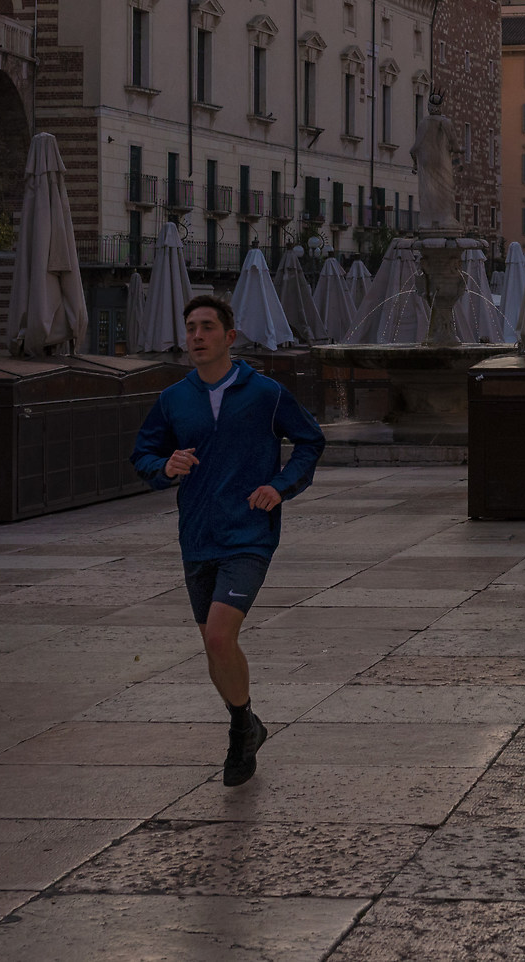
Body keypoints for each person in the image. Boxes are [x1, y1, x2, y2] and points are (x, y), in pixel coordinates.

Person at [131, 293, 326, 786]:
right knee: (214, 649)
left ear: (229, 336)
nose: (196, 336)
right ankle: (247, 722)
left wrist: (280, 487)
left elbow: (310, 440)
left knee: (221, 635)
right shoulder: (173, 399)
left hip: (249, 534)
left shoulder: (265, 393)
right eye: (191, 328)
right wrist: (163, 466)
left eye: (207, 328)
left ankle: (239, 731)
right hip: (196, 535)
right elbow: (144, 453)